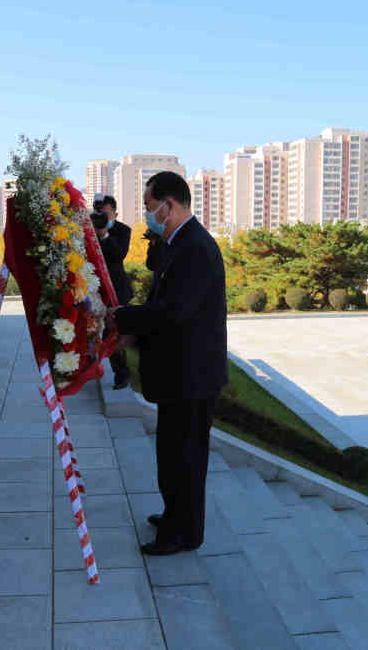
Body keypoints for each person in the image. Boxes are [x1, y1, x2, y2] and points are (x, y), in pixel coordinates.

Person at [109, 171, 227, 556]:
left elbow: (173, 312)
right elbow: (163, 303)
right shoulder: (176, 241)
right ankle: (176, 515)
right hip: (179, 373)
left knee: (186, 459)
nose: (147, 214)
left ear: (169, 205)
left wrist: (121, 318)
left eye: (148, 206)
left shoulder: (195, 247)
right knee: (173, 455)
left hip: (192, 376)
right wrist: (131, 325)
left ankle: (184, 533)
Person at [94, 194, 134, 389]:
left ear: (115, 214)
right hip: (93, 288)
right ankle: (86, 370)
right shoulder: (88, 229)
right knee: (88, 329)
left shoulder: (123, 230)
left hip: (116, 289)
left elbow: (119, 255)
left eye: (107, 215)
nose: (102, 218)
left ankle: (122, 374)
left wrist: (104, 234)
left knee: (115, 331)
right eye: (100, 214)